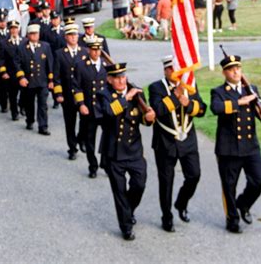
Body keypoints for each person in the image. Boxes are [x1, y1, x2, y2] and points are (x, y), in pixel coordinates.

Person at [210, 53, 261, 234]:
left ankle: (244, 204)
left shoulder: (251, 88)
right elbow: (216, 108)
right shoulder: (218, 92)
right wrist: (240, 102)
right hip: (229, 148)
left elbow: (260, 109)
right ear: (224, 72)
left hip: (250, 146)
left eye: (238, 68)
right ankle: (232, 219)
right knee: (229, 185)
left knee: (259, 179)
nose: (235, 72)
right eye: (231, 69)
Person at [94, 62, 156, 241]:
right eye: (118, 78)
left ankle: (128, 210)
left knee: (140, 184)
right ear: (109, 80)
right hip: (114, 152)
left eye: (124, 77)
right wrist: (126, 98)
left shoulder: (137, 93)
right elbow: (107, 113)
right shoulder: (103, 95)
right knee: (119, 192)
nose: (122, 81)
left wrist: (149, 118)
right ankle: (126, 227)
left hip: (134, 150)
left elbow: (143, 120)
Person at [148, 56, 207, 232]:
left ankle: (181, 203)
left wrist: (188, 103)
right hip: (166, 141)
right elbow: (158, 110)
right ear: (165, 71)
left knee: (194, 175)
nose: (177, 73)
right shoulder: (156, 87)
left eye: (179, 69)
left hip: (188, 140)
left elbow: (202, 109)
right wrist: (176, 95)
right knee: (166, 182)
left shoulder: (189, 84)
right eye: (173, 69)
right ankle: (167, 216)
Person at [72, 37, 108, 178]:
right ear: (88, 50)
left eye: (98, 49)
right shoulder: (81, 65)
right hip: (90, 109)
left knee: (107, 138)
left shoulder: (106, 66)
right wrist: (81, 105)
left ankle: (105, 163)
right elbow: (77, 87)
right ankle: (93, 166)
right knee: (90, 140)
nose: (96, 52)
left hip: (104, 110)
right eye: (93, 49)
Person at [53, 22, 88, 159]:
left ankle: (81, 138)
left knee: (85, 120)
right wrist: (59, 94)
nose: (73, 37)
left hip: (83, 95)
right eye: (70, 35)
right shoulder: (60, 54)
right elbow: (56, 76)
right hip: (67, 95)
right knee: (70, 123)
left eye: (75, 34)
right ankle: (72, 148)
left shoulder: (84, 52)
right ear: (66, 37)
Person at [14, 24, 54, 135]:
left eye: (36, 34)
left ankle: (43, 126)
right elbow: (17, 64)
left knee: (43, 105)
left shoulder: (45, 47)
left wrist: (51, 80)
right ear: (27, 35)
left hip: (42, 81)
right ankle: (30, 120)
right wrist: (21, 77)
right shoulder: (21, 47)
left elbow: (50, 64)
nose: (34, 36)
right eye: (32, 34)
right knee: (29, 103)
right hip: (28, 81)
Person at [0, 20, 24, 121]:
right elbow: (1, 59)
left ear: (19, 29)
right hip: (11, 73)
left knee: (24, 93)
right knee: (12, 95)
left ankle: (22, 105)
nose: (14, 31)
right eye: (12, 28)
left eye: (16, 28)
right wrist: (3, 72)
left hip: (23, 73)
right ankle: (14, 112)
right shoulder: (3, 43)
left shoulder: (24, 41)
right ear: (9, 30)